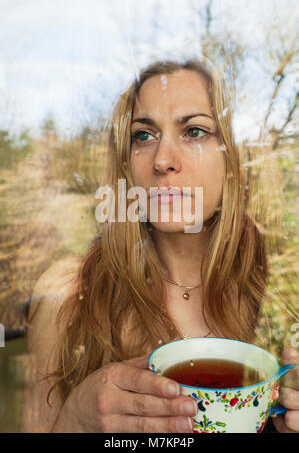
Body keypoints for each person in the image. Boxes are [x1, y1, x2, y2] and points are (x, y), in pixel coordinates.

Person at [20, 58, 299, 433]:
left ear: (232, 158)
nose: (163, 160)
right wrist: (75, 420)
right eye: (144, 136)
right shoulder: (68, 295)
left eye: (195, 131)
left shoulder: (277, 289)